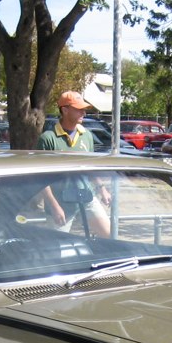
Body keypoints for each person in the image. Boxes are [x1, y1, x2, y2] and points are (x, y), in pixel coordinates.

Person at [36, 90, 111, 237]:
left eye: (84, 109)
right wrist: (53, 206)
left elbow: (90, 168)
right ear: (64, 110)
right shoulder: (48, 138)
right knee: (58, 251)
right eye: (78, 109)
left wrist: (102, 188)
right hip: (61, 203)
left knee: (110, 235)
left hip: (86, 197)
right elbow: (41, 178)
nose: (83, 113)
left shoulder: (87, 136)